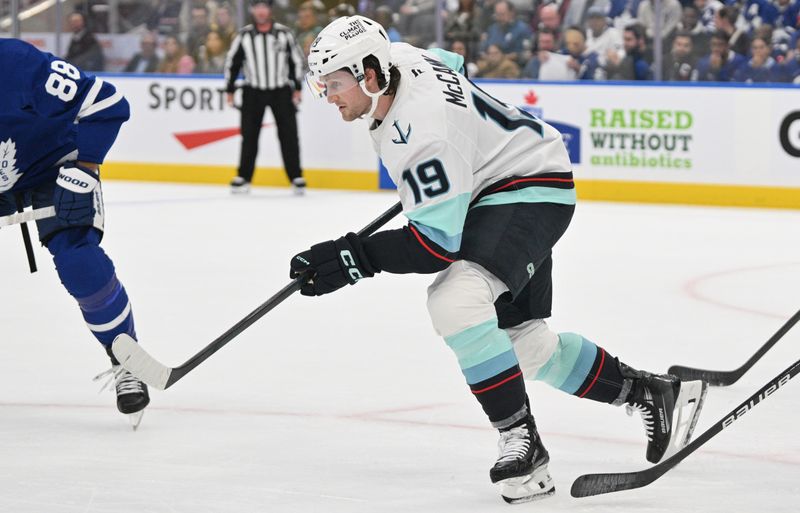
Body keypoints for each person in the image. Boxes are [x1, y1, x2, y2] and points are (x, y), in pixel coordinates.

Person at [292, 15, 707, 503]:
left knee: (455, 303)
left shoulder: (424, 136)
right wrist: (463, 161)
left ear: (368, 74)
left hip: (529, 187)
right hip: (509, 178)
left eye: (335, 84)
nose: (329, 96)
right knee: (522, 344)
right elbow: (454, 65)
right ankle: (647, 392)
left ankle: (521, 441)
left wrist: (353, 256)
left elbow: (433, 246)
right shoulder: (401, 57)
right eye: (322, 85)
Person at [0, 39, 149, 427]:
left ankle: (125, 357)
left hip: (53, 169)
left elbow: (107, 103)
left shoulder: (17, 64)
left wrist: (85, 168)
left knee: (80, 264)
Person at [224, 0, 306, 195]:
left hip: (280, 90)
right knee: (249, 136)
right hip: (253, 91)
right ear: (252, 10)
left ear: (270, 9)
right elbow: (233, 62)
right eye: (257, 6)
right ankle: (244, 176)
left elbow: (296, 61)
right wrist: (229, 90)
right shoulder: (244, 35)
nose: (261, 11)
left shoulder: (284, 34)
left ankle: (295, 176)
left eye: (264, 6)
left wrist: (297, 87)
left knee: (289, 135)